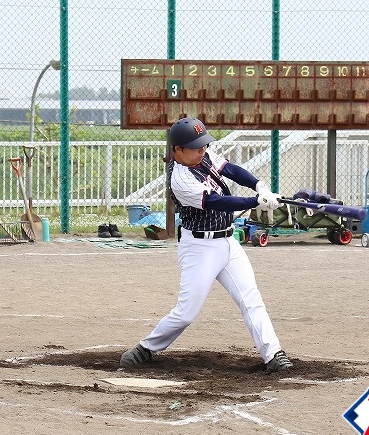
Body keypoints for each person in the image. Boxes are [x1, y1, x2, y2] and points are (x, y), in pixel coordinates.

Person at [120, 117, 293, 373]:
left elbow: (231, 170)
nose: (202, 150)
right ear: (178, 150)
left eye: (203, 145)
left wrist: (260, 186)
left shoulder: (202, 155)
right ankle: (146, 348)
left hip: (228, 242)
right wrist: (254, 201)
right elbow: (216, 202)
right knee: (186, 313)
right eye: (195, 147)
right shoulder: (180, 179)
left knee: (251, 300)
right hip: (199, 249)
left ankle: (274, 354)